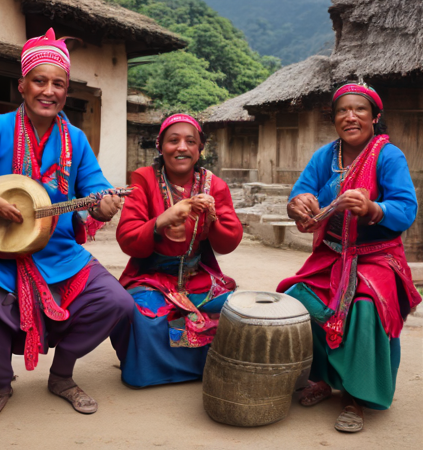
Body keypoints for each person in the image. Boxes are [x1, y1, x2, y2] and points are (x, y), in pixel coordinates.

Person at [0, 28, 134, 423]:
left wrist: (103, 207)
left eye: (58, 83)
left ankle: (62, 376)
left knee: (117, 302)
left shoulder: (75, 139)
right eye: (40, 81)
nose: (49, 90)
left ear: (66, 91)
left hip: (58, 251)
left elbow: (94, 188)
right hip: (2, 251)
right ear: (23, 86)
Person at [277, 82, 422, 433]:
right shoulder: (324, 156)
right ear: (334, 118)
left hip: (377, 257)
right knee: (297, 298)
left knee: (365, 308)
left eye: (359, 109)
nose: (350, 116)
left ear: (375, 116)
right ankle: (324, 379)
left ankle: (355, 397)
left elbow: (406, 209)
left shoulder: (389, 156)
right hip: (332, 255)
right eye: (342, 110)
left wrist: (373, 207)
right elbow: (301, 193)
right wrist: (297, 204)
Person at [116, 114, 243, 388]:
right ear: (160, 147)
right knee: (142, 316)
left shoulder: (215, 186)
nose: (182, 147)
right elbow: (127, 239)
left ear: (200, 149)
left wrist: (212, 221)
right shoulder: (143, 179)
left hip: (199, 278)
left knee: (237, 311)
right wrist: (161, 222)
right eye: (173, 141)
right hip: (151, 277)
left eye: (190, 141)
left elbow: (229, 242)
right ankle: (158, 372)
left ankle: (207, 365)